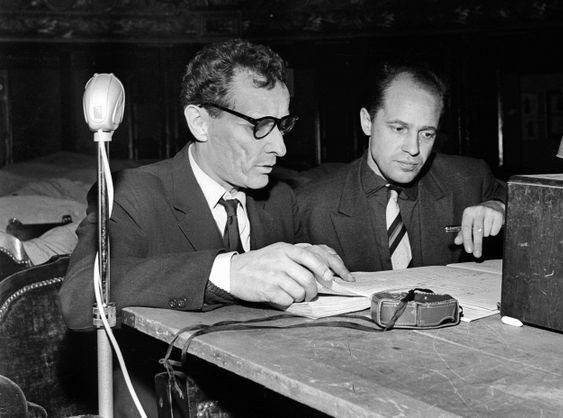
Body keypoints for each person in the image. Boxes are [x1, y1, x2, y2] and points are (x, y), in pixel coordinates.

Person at [59, 38, 354, 331]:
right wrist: (228, 272)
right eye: (261, 126)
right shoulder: (130, 194)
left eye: (282, 125)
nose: (280, 148)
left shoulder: (280, 199)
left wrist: (308, 267)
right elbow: (79, 298)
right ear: (200, 123)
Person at [296, 63, 506, 272]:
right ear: (367, 122)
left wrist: (500, 207)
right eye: (399, 128)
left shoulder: (468, 178)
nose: (413, 149)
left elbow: (521, 198)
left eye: (426, 134)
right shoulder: (310, 207)